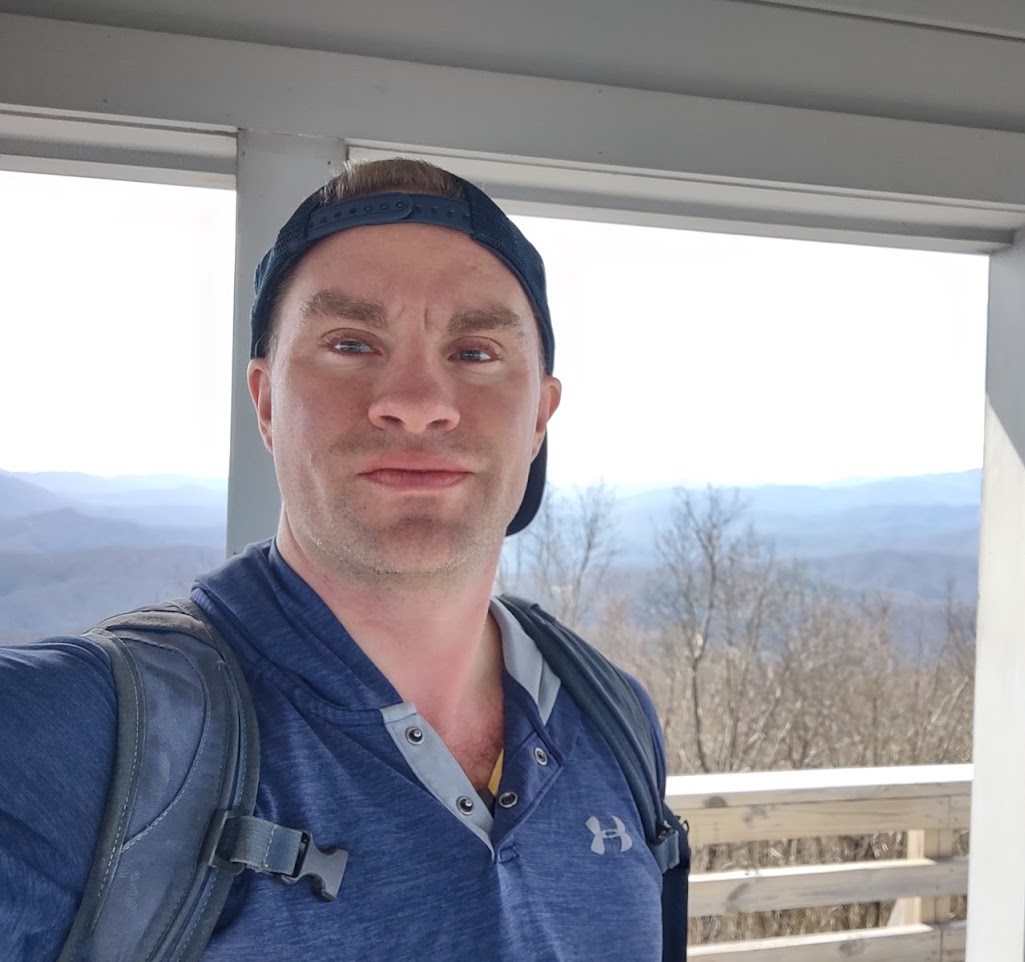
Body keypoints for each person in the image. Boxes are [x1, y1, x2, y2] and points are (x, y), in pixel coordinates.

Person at [0, 159, 670, 960]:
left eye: (476, 352)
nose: (417, 402)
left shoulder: (614, 719)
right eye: (351, 344)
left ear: (539, 419)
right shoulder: (64, 738)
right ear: (266, 402)